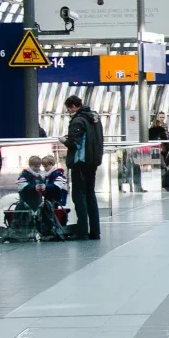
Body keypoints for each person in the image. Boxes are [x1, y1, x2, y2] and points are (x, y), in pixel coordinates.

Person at [62, 94, 104, 239]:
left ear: (73, 106)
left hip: (80, 163)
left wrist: (64, 141)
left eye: (68, 109)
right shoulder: (94, 118)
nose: (68, 112)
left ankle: (82, 230)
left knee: (78, 196)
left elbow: (75, 143)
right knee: (90, 195)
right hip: (93, 161)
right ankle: (95, 231)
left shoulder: (78, 121)